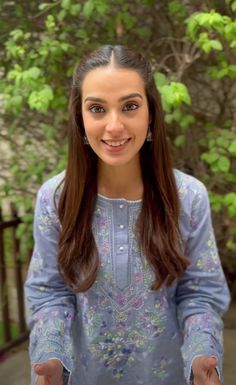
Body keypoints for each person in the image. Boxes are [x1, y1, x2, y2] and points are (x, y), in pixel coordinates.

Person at [24, 45, 230, 385]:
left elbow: (200, 293)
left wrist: (201, 355)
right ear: (80, 117)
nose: (114, 126)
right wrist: (51, 358)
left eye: (130, 106)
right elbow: (49, 293)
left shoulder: (188, 197)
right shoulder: (56, 198)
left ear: (151, 112)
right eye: (97, 109)